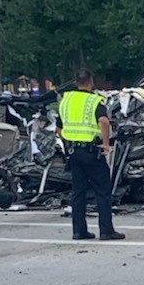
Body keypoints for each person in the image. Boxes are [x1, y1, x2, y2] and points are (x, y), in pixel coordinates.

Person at [58, 69, 125, 241]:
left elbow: (59, 128)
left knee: (78, 192)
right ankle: (106, 230)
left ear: (76, 82)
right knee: (102, 191)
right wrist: (106, 142)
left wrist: (67, 140)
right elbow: (103, 121)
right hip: (91, 151)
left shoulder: (66, 100)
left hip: (73, 151)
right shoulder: (94, 100)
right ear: (90, 82)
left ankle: (79, 230)